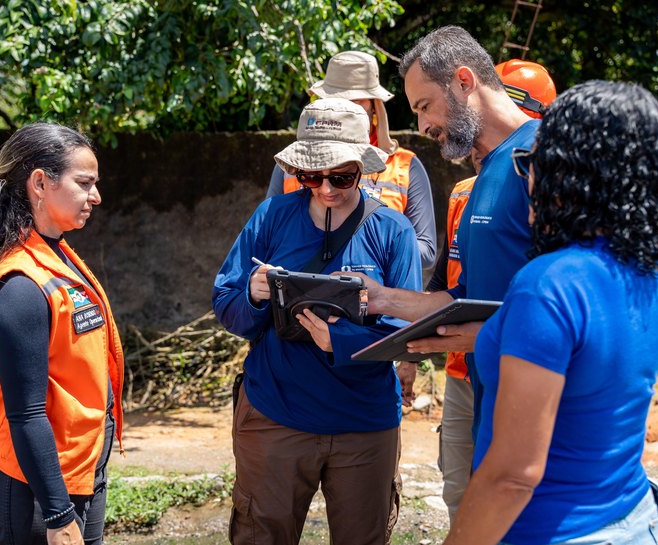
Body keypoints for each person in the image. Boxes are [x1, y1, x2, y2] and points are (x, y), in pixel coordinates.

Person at [444, 79, 658, 545]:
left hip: (551, 531)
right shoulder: (656, 276)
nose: (527, 180)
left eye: (532, 163)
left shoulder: (549, 285)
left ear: (573, 175)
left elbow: (513, 476)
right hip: (636, 521)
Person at [213, 97, 422, 545]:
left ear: (363, 168)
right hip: (275, 413)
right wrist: (252, 294)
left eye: (341, 177)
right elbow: (225, 303)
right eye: (311, 176)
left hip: (363, 424)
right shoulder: (271, 216)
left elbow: (407, 334)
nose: (326, 189)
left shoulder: (392, 230)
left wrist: (340, 341)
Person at [399, 58, 557, 524]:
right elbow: (457, 287)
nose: (424, 126)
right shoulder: (477, 183)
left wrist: (483, 337)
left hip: (539, 404)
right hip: (481, 386)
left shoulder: (540, 163)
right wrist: (384, 302)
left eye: (426, 107)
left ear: (465, 82)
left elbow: (570, 305)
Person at [0, 122, 124, 545]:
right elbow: (26, 413)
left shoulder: (58, 255)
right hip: (32, 493)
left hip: (77, 475)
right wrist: (57, 514)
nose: (96, 196)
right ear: (40, 182)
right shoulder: (19, 283)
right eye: (85, 183)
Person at [266, 50, 438, 269]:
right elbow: (267, 236)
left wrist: (365, 250)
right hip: (301, 295)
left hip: (378, 297)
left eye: (355, 103)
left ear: (375, 107)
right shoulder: (291, 164)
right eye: (337, 101)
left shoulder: (404, 166)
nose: (344, 110)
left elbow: (427, 251)